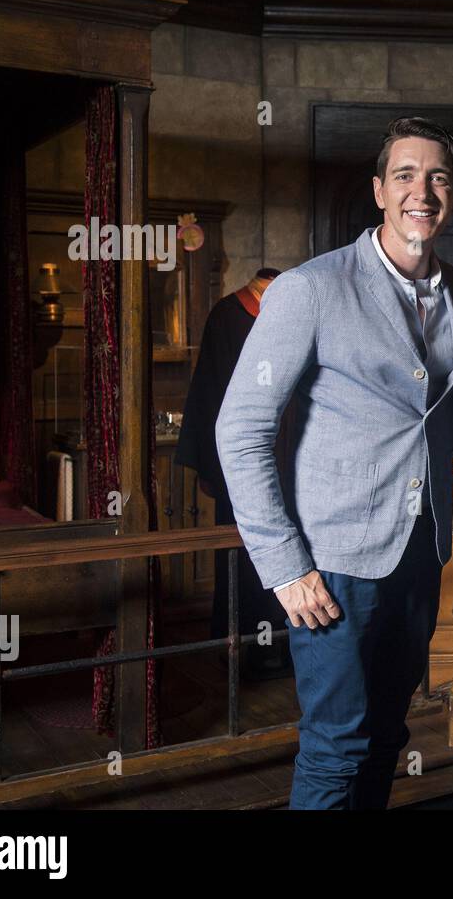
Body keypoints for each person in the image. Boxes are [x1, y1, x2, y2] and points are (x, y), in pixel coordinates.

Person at [216, 116, 453, 809]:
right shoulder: (310, 287)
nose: (420, 192)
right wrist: (286, 567)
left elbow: (450, 416)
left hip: (419, 554)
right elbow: (239, 429)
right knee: (337, 746)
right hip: (330, 564)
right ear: (378, 190)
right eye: (404, 175)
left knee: (388, 737)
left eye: (438, 178)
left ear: (452, 195)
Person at [175, 267, 291, 680]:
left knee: (287, 553)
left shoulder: (293, 311)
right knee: (240, 557)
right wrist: (212, 465)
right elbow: (209, 392)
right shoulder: (228, 316)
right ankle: (240, 652)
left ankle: (284, 650)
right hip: (240, 461)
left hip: (289, 462)